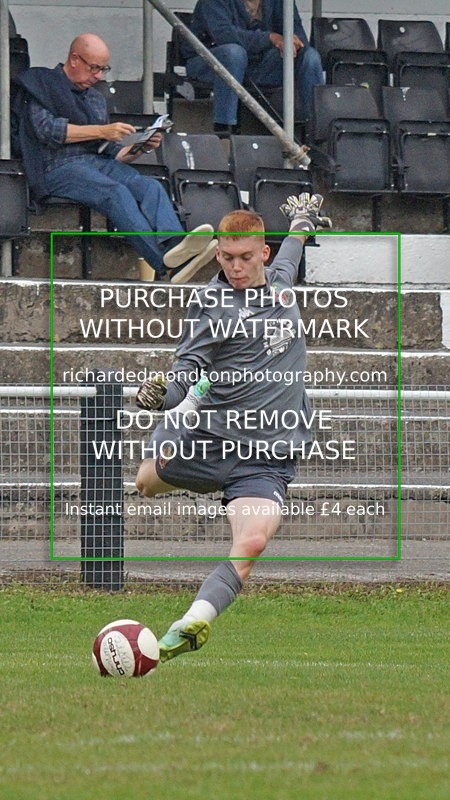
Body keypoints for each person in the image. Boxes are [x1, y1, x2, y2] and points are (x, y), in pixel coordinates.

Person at [135, 193, 332, 662]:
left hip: (265, 458)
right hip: (211, 443)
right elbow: (187, 371)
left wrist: (302, 222)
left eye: (246, 257)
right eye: (226, 257)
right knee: (145, 483)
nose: (236, 267)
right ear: (217, 254)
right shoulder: (211, 306)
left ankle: (195, 619)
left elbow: (291, 252)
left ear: (262, 253)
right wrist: (163, 394)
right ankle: (165, 449)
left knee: (254, 539)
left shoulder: (281, 284)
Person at [11, 33, 217, 283]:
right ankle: (164, 264)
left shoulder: (95, 99)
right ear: (75, 59)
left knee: (149, 186)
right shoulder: (41, 83)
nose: (98, 76)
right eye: (94, 68)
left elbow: (111, 152)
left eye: (102, 69)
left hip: (96, 163)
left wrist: (141, 147)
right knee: (115, 193)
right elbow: (47, 130)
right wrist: (102, 130)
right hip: (55, 165)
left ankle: (176, 246)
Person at [182, 0, 324, 134]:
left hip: (257, 64)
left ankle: (317, 133)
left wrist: (292, 43)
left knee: (309, 57)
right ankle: (223, 130)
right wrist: (271, 38)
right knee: (233, 53)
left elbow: (298, 37)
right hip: (211, 63)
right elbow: (224, 36)